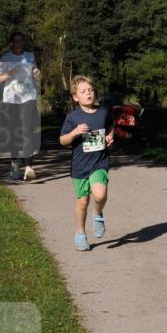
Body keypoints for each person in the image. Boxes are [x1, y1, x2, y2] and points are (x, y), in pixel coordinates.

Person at [60, 75, 114, 251]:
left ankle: (97, 214)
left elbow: (111, 125)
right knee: (82, 202)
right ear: (76, 97)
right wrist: (75, 132)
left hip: (99, 162)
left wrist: (110, 136)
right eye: (83, 91)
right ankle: (80, 233)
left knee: (100, 195)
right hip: (80, 166)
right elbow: (63, 140)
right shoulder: (73, 117)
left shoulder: (103, 112)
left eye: (90, 90)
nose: (88, 93)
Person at [0, 31, 41, 180]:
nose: (19, 44)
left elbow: (35, 73)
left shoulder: (30, 56)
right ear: (11, 43)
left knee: (27, 131)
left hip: (28, 97)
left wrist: (37, 74)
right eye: (16, 41)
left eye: (21, 41)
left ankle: (28, 168)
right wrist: (10, 73)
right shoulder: (5, 58)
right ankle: (14, 164)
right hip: (11, 99)